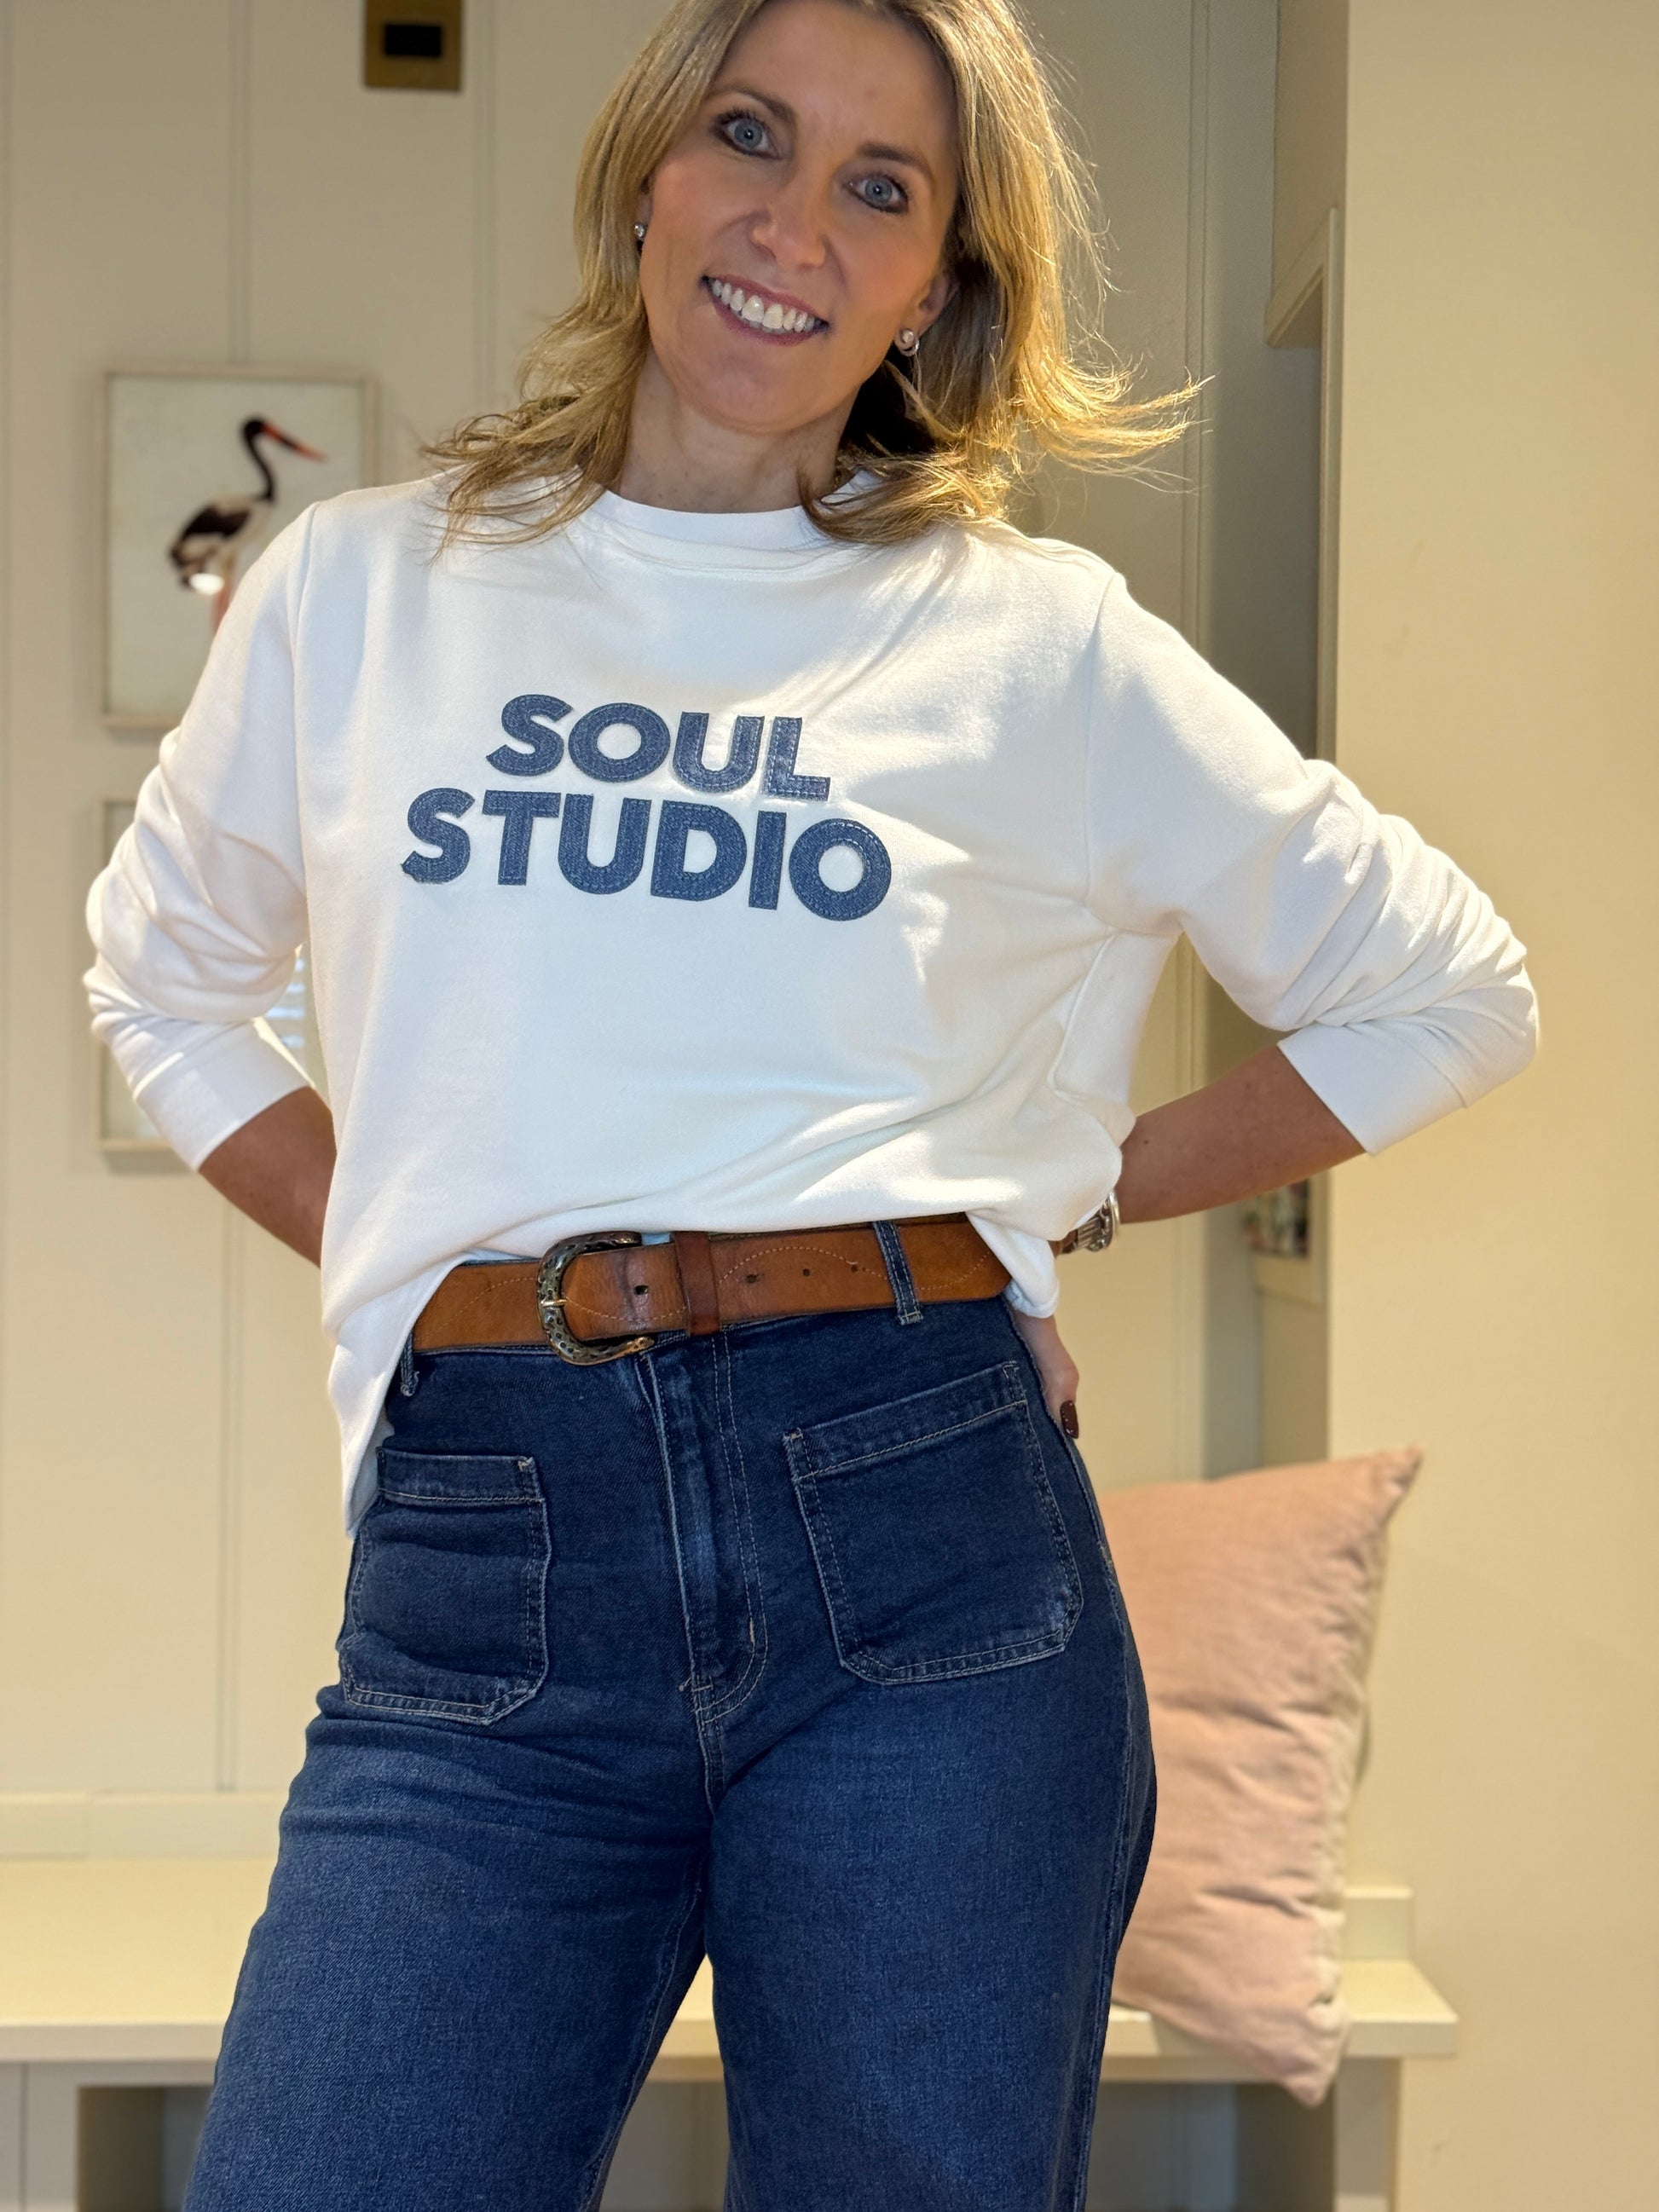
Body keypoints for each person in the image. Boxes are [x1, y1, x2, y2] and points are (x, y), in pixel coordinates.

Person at [84, 1, 1537, 2205]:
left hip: (921, 1536)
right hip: (488, 1546)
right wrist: (420, 1243)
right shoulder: (366, 590)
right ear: (647, 174)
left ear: (936, 284)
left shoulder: (1034, 643)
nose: (792, 224)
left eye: (881, 187)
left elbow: (1447, 989)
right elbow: (162, 983)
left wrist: (1062, 1200)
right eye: (749, 137)